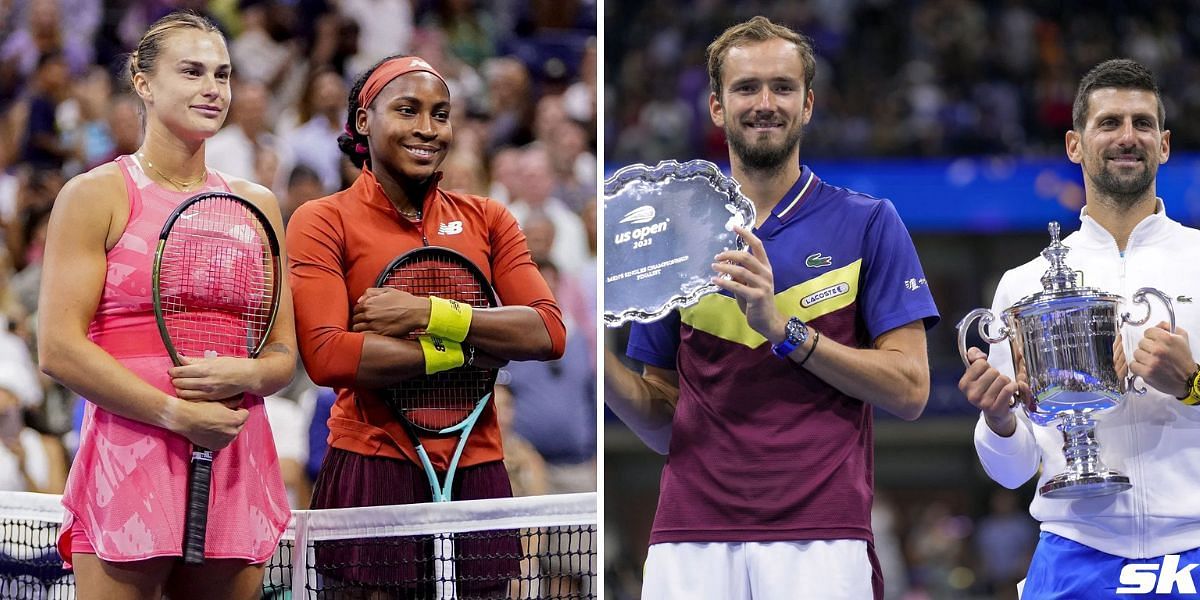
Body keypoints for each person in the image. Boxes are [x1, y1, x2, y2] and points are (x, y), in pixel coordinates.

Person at [604, 16, 939, 600]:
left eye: (782, 87)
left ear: (808, 104)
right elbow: (663, 421)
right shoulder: (672, 237)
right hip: (689, 534)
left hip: (823, 536)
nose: (765, 103)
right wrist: (594, 363)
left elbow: (910, 390)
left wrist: (783, 330)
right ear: (716, 106)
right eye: (746, 88)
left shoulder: (868, 221)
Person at [36, 11, 296, 600]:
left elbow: (283, 351)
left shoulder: (258, 204)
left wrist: (251, 371)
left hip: (233, 448)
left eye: (223, 75)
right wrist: (176, 415)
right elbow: (58, 348)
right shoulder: (94, 194)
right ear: (144, 82)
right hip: (132, 448)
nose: (214, 88)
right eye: (193, 71)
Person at [286, 54, 566, 595]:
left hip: (477, 468)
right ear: (364, 121)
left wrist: (426, 314)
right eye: (407, 110)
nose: (427, 129)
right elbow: (328, 357)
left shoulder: (490, 217)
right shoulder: (323, 220)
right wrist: (463, 349)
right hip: (372, 466)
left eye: (441, 114)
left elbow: (547, 332)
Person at [959, 58, 1200, 598]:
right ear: (1075, 144)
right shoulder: (1023, 288)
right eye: (1109, 122)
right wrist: (997, 420)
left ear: (1164, 144)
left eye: (1142, 124)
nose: (1127, 137)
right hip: (1076, 550)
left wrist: (1194, 385)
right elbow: (1012, 471)